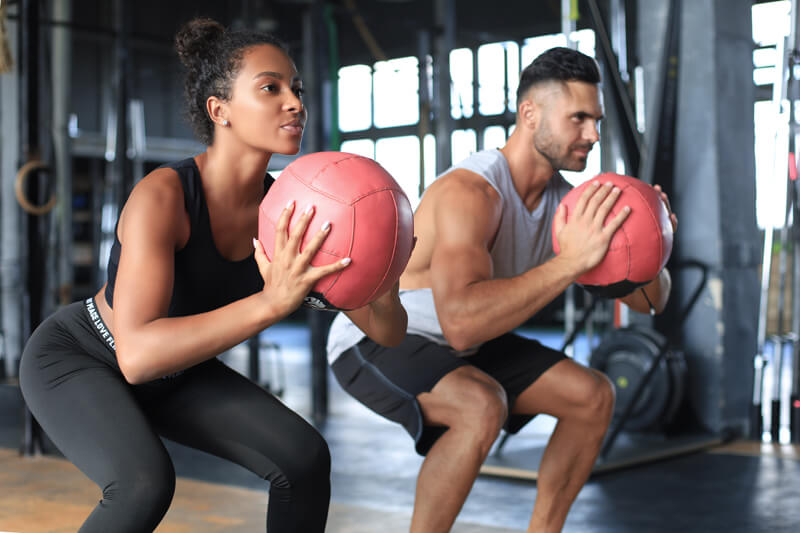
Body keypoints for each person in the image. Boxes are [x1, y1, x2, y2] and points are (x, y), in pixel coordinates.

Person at [19, 17, 407, 533]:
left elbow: (388, 330)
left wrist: (386, 266)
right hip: (83, 357)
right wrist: (272, 303)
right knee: (143, 485)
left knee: (304, 458)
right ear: (219, 110)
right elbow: (135, 358)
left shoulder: (293, 212)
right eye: (271, 88)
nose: (294, 102)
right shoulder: (164, 196)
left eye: (296, 88)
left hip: (179, 372)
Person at [327, 46, 677, 533]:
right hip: (379, 335)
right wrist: (572, 260)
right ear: (530, 114)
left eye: (595, 121)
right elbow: (463, 325)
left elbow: (650, 301)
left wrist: (651, 243)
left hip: (465, 342)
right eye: (578, 118)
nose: (593, 135)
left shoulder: (568, 205)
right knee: (480, 404)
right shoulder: (470, 193)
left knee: (592, 395)